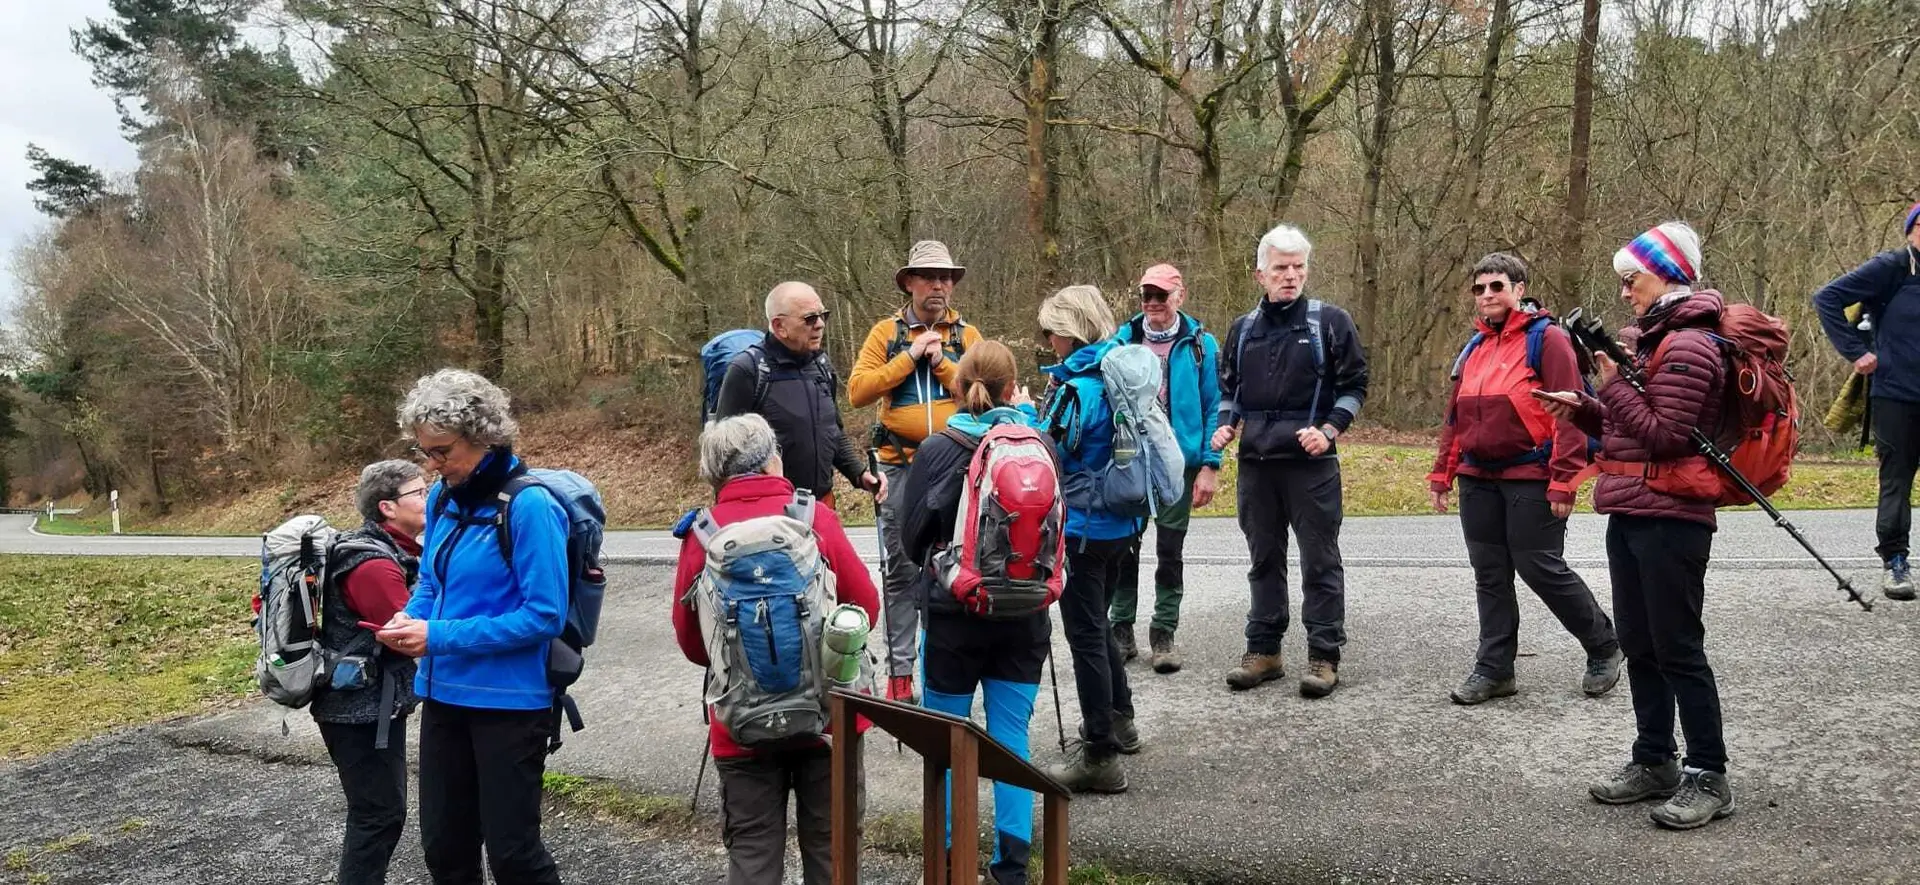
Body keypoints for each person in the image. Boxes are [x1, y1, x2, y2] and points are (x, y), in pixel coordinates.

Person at [1538, 221, 1735, 831]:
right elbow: (1631, 427)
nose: (1625, 292)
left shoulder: (1693, 346)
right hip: (1629, 506)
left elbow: (1669, 437)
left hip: (1674, 516)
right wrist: (1589, 407)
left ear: (1669, 273)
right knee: (1641, 643)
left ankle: (1710, 774)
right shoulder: (1652, 342)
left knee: (1678, 646)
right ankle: (1655, 759)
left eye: (1634, 280)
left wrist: (1613, 385)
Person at [376, 369, 568, 884]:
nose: (432, 465)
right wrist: (411, 616)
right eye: (425, 452)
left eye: (441, 451)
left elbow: (544, 615)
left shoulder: (530, 505)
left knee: (514, 856)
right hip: (443, 698)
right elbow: (433, 583)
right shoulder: (442, 499)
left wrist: (437, 636)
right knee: (446, 850)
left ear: (484, 436)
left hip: (510, 705)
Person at [671, 414, 880, 885]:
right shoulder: (814, 518)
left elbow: (692, 643)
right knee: (833, 852)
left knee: (752, 852)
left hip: (740, 726)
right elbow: (865, 608)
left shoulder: (701, 535)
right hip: (830, 718)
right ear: (771, 461)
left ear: (716, 474)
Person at [1427, 252, 1623, 705]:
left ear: (1519, 289)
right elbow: (1455, 418)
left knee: (1539, 566)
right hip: (1478, 476)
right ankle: (1495, 669)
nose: (1488, 295)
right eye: (1480, 288)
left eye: (1497, 286)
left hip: (1532, 473)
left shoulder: (1547, 339)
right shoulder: (1473, 347)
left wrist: (1564, 480)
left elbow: (1571, 411)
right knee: (1489, 574)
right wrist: (1443, 473)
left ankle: (1604, 646)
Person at [900, 341, 1046, 884]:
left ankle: (946, 865)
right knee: (1011, 739)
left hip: (953, 616)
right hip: (1024, 618)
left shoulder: (937, 448)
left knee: (948, 742)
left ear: (956, 388)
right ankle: (1011, 871)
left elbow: (912, 540)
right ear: (1013, 389)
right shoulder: (1041, 444)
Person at [1212, 225, 1368, 698]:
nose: (1291, 276)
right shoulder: (1242, 329)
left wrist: (1329, 430)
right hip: (1257, 464)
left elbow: (1356, 386)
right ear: (1261, 273)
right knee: (1263, 560)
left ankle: (1324, 656)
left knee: (1319, 561)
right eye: (1281, 267)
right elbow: (1229, 390)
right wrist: (1226, 426)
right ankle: (1264, 651)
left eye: (1299, 267)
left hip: (1311, 466)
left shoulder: (1330, 322)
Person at [849, 240, 985, 703]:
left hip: (958, 467)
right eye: (928, 277)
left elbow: (984, 395)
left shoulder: (966, 337)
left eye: (945, 278)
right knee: (902, 570)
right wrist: (908, 358)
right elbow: (858, 391)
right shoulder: (884, 334)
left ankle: (941, 665)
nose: (939, 285)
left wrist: (940, 361)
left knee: (955, 564)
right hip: (899, 468)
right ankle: (901, 674)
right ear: (908, 283)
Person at [1035, 285, 1140, 793]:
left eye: (1051, 332)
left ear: (1068, 332)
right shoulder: (1121, 371)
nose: (1048, 341)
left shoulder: (1080, 387)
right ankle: (1121, 718)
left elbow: (1047, 454)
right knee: (1099, 625)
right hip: (1122, 523)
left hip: (1083, 528)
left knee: (1085, 638)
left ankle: (1100, 754)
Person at [314, 459, 426, 885]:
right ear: (387, 508)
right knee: (377, 814)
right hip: (357, 710)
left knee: (377, 811)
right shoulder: (372, 564)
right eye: (418, 492)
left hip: (365, 704)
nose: (428, 498)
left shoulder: (381, 549)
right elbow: (402, 634)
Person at [1106, 263, 1221, 674]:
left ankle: (1163, 632)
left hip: (1180, 465)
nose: (1153, 303)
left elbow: (1214, 408)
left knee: (1170, 550)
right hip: (1132, 461)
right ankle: (1121, 629)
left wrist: (1210, 465)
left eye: (1161, 295)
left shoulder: (1201, 345)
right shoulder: (1120, 342)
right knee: (1124, 548)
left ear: (1180, 295)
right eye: (1147, 296)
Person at [1813, 202, 1920, 600]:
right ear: (1913, 230)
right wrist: (1856, 352)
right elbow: (1826, 298)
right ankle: (1895, 563)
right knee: (1897, 481)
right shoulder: (1892, 267)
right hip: (1897, 395)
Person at [714, 281, 883, 507]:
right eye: (810, 319)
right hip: (769, 509)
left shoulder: (822, 365)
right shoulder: (748, 371)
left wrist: (859, 474)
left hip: (822, 504)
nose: (820, 325)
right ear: (779, 326)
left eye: (824, 315)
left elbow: (833, 431)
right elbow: (724, 454)